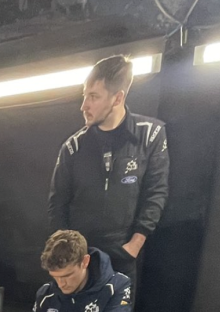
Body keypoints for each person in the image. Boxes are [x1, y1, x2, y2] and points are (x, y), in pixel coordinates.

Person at [48, 54, 169, 292]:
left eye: (93, 97)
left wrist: (134, 245)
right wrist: (68, 257)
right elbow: (57, 204)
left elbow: (156, 192)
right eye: (85, 95)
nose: (84, 105)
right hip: (81, 258)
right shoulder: (73, 147)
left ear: (118, 98)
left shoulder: (150, 135)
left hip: (122, 254)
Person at [31, 230, 131, 312]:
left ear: (85, 262)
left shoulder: (117, 285)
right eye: (55, 277)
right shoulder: (46, 293)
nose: (61, 284)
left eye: (67, 275)